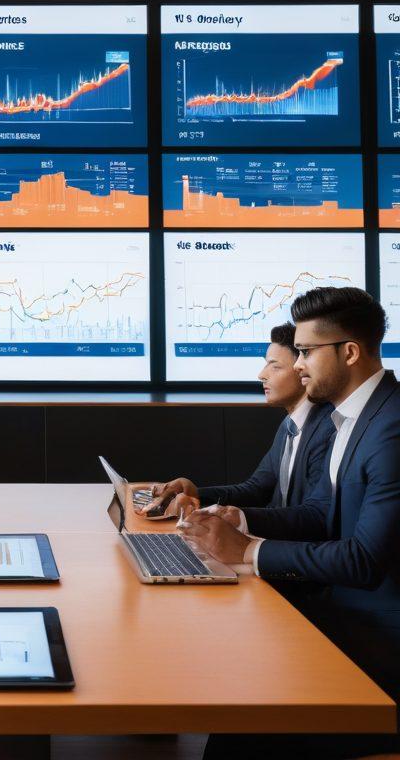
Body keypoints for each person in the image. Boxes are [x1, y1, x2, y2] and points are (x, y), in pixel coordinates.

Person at [182, 287, 400, 760]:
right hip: (346, 616)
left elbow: (364, 560)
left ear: (349, 352)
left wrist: (247, 552)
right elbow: (320, 514)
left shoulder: (391, 429)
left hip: (379, 648)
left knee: (241, 727)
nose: (297, 365)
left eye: (304, 353)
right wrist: (233, 522)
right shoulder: (352, 418)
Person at [146, 322, 333, 517]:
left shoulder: (326, 430)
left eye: (275, 366)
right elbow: (256, 489)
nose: (262, 375)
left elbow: (311, 517)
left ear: (302, 369)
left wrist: (233, 520)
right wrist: (195, 494)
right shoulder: (290, 425)